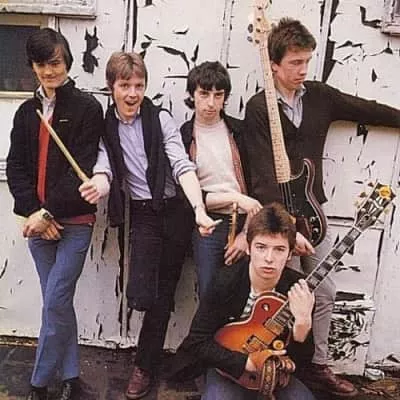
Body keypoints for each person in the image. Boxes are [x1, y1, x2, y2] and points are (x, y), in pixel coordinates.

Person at [244, 17, 400, 397]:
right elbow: (262, 177)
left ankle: (316, 366)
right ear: (274, 65)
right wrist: (287, 229)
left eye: (306, 61)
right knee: (280, 298)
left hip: (314, 217)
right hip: (279, 223)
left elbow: (366, 109)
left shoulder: (319, 97)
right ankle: (272, 366)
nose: (303, 70)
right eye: (294, 62)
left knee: (324, 292)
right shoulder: (259, 108)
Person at [79, 51, 217, 400]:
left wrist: (199, 209)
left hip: (175, 210)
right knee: (142, 293)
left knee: (166, 291)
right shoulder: (105, 126)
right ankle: (150, 358)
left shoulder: (160, 119)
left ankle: (145, 366)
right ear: (111, 87)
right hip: (143, 212)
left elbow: (181, 164)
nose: (132, 93)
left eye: (139, 86)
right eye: (125, 85)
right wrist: (99, 185)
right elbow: (104, 166)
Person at [6, 28, 104, 400]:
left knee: (56, 300)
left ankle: (38, 383)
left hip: (75, 223)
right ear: (32, 66)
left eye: (55, 63)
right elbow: (16, 167)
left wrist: (48, 213)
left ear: (68, 63)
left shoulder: (87, 108)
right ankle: (72, 377)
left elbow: (81, 167)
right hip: (38, 224)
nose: (49, 71)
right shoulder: (25, 112)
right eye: (41, 64)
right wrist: (35, 213)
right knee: (57, 302)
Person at [169, 202, 316, 400]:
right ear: (248, 248)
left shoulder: (299, 290)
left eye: (279, 249)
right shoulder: (225, 281)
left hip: (277, 374)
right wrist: (248, 362)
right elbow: (197, 342)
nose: (269, 258)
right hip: (228, 368)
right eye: (261, 247)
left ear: (290, 254)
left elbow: (303, 363)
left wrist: (302, 325)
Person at [180, 61, 262, 298]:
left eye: (218, 95)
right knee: (209, 294)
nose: (211, 103)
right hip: (209, 223)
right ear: (192, 95)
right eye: (204, 94)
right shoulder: (184, 136)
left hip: (247, 220)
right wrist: (234, 197)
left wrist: (246, 234)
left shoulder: (239, 131)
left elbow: (258, 185)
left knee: (246, 294)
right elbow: (186, 196)